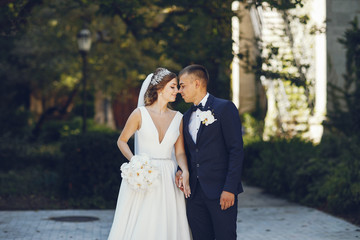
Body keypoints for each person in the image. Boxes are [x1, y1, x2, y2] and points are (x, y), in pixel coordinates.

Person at [107, 68, 192, 240]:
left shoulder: (178, 118)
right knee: (143, 223)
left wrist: (185, 170)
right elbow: (121, 141)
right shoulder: (139, 114)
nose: (177, 91)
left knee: (166, 222)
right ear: (160, 89)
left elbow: (180, 151)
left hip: (168, 178)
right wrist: (135, 162)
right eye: (173, 87)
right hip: (143, 175)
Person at [176, 64, 244, 240]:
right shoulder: (185, 117)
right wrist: (180, 169)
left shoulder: (224, 108)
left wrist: (230, 188)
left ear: (197, 83)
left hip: (221, 191)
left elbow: (236, 151)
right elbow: (188, 152)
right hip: (194, 194)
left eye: (182, 85)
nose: (179, 90)